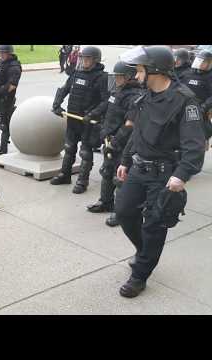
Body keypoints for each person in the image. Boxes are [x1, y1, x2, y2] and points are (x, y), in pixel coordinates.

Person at [115, 45, 205, 298]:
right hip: (139, 168)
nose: (137, 74)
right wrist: (125, 160)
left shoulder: (185, 101)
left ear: (154, 70)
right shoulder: (144, 97)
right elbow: (137, 134)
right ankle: (146, 252)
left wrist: (182, 175)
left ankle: (140, 274)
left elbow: (195, 146)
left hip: (164, 175)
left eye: (141, 69)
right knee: (123, 212)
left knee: (154, 226)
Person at [86, 61, 143, 227]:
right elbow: (107, 107)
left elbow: (130, 125)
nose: (116, 79)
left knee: (120, 178)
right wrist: (93, 114)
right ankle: (105, 202)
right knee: (106, 171)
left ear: (128, 77)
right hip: (110, 140)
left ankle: (121, 212)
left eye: (118, 77)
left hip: (123, 143)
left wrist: (116, 141)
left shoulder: (134, 96)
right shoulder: (118, 91)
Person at [51, 46, 108, 194]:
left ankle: (82, 181)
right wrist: (56, 104)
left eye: (87, 58)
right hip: (73, 117)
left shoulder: (101, 77)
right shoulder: (76, 73)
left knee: (85, 152)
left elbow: (106, 101)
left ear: (95, 60)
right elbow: (64, 89)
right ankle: (65, 174)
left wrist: (93, 114)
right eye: (82, 58)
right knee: (69, 147)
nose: (83, 61)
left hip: (88, 121)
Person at [179, 49, 212, 140]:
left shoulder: (209, 76)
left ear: (209, 63)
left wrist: (204, 107)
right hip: (183, 106)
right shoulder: (187, 73)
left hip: (200, 109)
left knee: (200, 135)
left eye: (203, 62)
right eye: (199, 60)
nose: (200, 64)